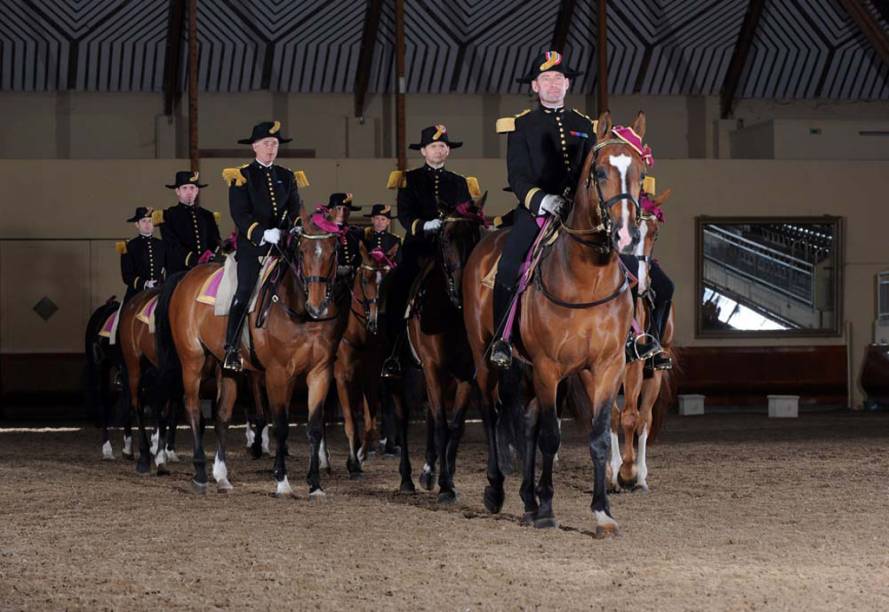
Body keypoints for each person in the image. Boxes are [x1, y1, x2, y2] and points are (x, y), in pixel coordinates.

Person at [489, 50, 596, 369]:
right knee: (508, 267)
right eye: (546, 79)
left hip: (579, 213)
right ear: (535, 86)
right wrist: (541, 200)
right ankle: (502, 339)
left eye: (559, 78)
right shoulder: (521, 125)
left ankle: (632, 335)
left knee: (625, 259)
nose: (553, 84)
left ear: (567, 85)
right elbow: (517, 175)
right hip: (538, 210)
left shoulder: (584, 125)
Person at [381, 124, 478, 377]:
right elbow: (404, 216)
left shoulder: (459, 182)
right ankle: (394, 353)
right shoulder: (409, 179)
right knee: (396, 287)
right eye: (434, 146)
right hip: (420, 250)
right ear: (423, 151)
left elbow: (466, 214)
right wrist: (425, 225)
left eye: (443, 146)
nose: (439, 150)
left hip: (454, 251)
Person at [222, 121, 303, 372]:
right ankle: (232, 348)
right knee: (244, 291)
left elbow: (295, 208)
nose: (271, 148)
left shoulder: (287, 176)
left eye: (275, 144)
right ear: (255, 146)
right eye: (267, 143)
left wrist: (297, 226)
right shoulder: (241, 175)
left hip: (283, 248)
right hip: (254, 248)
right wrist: (261, 233)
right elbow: (239, 213)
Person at [156, 170, 221, 273]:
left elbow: (215, 241)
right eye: (184, 188)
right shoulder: (168, 215)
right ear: (177, 191)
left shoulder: (207, 215)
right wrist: (192, 259)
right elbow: (172, 245)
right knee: (169, 288)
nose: (189, 192)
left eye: (192, 188)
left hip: (206, 268)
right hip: (179, 270)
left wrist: (213, 255)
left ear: (197, 191)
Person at [118, 206, 166, 304]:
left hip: (160, 291)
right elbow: (126, 276)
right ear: (137, 224)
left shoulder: (162, 245)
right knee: (121, 315)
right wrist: (145, 284)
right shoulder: (128, 246)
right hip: (137, 292)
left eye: (150, 221)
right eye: (144, 221)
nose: (147, 224)